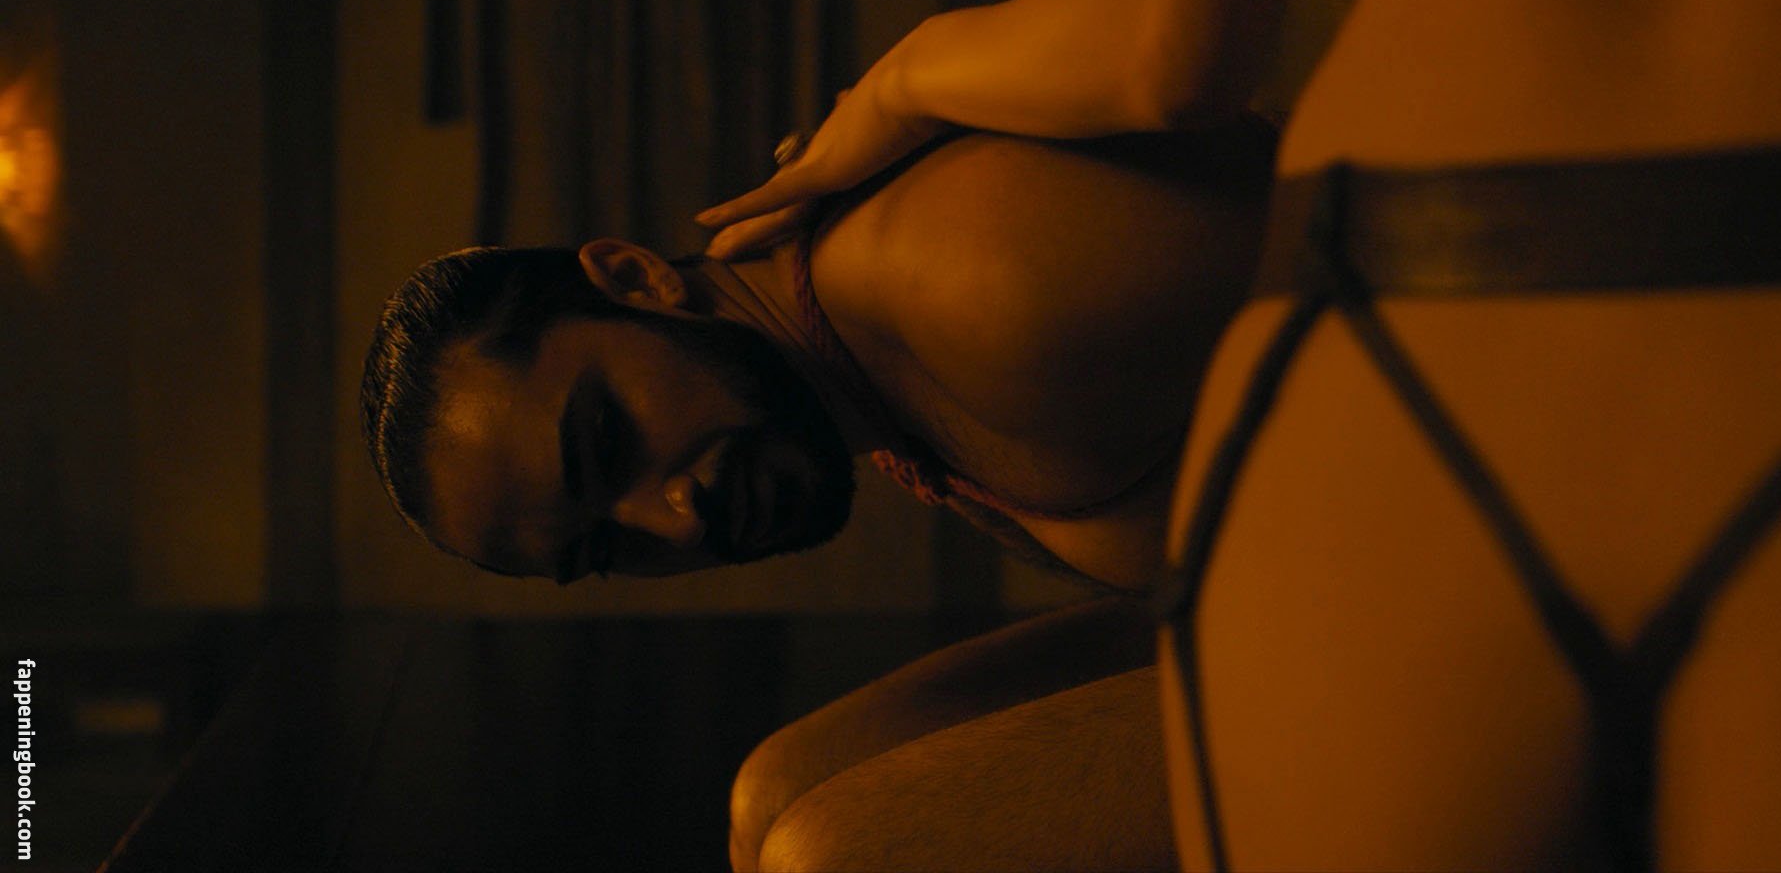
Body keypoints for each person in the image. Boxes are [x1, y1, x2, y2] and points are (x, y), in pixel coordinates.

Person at [697, 0, 1781, 870]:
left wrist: (896, 84)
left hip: (1429, 290)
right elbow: (1164, 62)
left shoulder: (960, 273)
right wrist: (891, 86)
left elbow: (1157, 38)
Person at [361, 119, 1276, 870]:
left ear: (637, 280)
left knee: (835, 854)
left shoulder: (983, 276)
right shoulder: (870, 384)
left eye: (607, 443)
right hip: (1262, 605)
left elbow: (1341, 273)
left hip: (1354, 609)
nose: (676, 522)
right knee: (772, 793)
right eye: (606, 547)